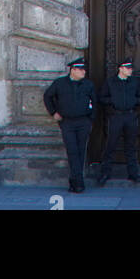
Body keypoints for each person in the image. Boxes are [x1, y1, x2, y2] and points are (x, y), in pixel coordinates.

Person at [43, 56, 96, 194]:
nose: (84, 72)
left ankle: (75, 181)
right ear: (73, 70)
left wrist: (91, 119)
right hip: (67, 122)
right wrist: (53, 112)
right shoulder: (60, 83)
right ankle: (78, 182)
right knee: (72, 151)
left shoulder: (88, 85)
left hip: (83, 121)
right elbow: (47, 96)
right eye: (81, 70)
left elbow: (94, 102)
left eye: (84, 70)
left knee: (80, 151)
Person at [97, 57, 140, 185]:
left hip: (130, 116)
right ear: (120, 69)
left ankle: (133, 174)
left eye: (131, 68)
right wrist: (113, 103)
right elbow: (102, 97)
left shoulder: (134, 82)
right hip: (116, 116)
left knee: (131, 146)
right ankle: (105, 173)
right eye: (128, 68)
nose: (130, 70)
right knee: (110, 146)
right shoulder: (110, 82)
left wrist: (134, 102)